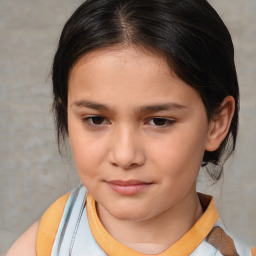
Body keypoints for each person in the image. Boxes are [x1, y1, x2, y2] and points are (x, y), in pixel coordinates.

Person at [6, 0, 255, 255]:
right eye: (96, 120)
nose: (124, 156)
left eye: (159, 121)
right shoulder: (46, 244)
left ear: (217, 123)